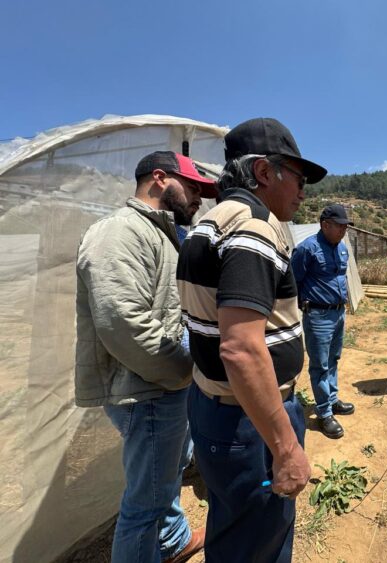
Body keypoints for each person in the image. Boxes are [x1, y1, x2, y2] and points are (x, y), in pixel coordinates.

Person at [177, 118, 327, 562]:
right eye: (299, 179)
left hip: (217, 406)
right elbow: (241, 349)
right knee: (260, 540)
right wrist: (285, 447)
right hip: (251, 417)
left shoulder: (209, 223)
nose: (303, 193)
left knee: (234, 526)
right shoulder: (254, 228)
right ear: (264, 171)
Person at [75, 151, 217, 563]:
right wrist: (182, 370)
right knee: (145, 504)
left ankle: (172, 542)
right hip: (148, 389)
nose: (199, 198)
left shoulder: (161, 233)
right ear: (159, 178)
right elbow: (122, 321)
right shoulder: (120, 231)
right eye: (192, 187)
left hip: (160, 384)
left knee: (164, 478)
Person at [291, 204, 355, 439]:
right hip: (318, 315)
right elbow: (293, 281)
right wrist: (302, 307)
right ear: (325, 224)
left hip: (338, 313)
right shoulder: (307, 249)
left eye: (345, 227)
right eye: (339, 226)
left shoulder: (342, 249)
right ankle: (324, 412)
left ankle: (332, 398)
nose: (343, 230)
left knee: (333, 359)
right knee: (320, 365)